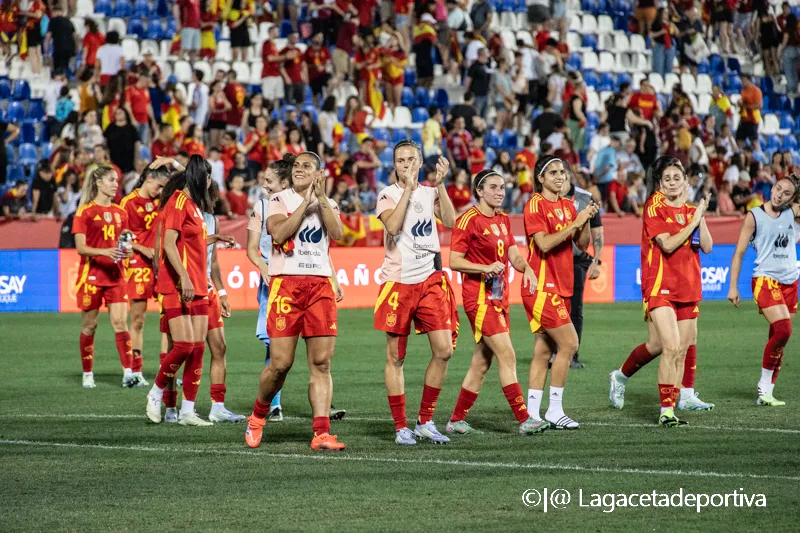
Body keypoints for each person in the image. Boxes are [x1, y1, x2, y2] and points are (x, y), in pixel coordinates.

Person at [244, 151, 346, 450]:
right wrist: (305, 204)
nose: (299, 169)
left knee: (322, 363)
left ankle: (321, 433)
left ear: (318, 174)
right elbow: (279, 233)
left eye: (307, 166)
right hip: (286, 284)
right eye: (297, 165)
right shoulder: (279, 200)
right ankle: (257, 417)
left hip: (320, 285)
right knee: (280, 365)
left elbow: (338, 233)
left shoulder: (329, 203)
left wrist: (321, 199)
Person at [609, 156, 714, 424]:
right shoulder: (655, 205)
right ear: (659, 183)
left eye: (677, 177)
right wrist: (692, 221)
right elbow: (667, 245)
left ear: (686, 181)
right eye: (667, 178)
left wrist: (699, 216)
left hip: (688, 286)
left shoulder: (690, 210)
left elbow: (707, 247)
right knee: (671, 346)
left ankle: (625, 379)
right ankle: (666, 411)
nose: (672, 182)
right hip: (660, 286)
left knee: (676, 348)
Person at [445, 169, 547, 436]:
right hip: (479, 299)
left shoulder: (502, 220)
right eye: (493, 187)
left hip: (499, 299)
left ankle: (456, 420)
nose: (500, 192)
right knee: (507, 354)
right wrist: (484, 267)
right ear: (479, 191)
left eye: (502, 187)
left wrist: (528, 269)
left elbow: (514, 256)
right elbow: (454, 261)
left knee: (481, 362)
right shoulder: (468, 220)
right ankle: (525, 419)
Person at [374, 141, 458, 445]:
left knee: (444, 350)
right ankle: (401, 427)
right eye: (400, 160)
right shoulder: (387, 194)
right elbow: (393, 227)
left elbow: (450, 221)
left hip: (430, 280)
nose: (406, 164)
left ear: (421, 162)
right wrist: (409, 189)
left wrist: (442, 185)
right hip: (398, 283)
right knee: (396, 357)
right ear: (394, 165)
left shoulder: (430, 192)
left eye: (411, 159)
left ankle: (425, 420)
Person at [523, 156, 598, 429]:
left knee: (544, 351)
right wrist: (575, 223)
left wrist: (585, 220)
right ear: (540, 178)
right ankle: (555, 410)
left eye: (562, 172)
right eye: (552, 172)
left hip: (562, 286)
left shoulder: (568, 205)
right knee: (570, 344)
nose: (559, 177)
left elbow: (582, 243)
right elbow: (543, 244)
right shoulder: (535, 204)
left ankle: (532, 414)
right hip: (543, 287)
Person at [145, 155, 215, 426]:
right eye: (207, 177)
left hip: (198, 284)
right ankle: (155, 393)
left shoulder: (195, 206)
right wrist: (184, 277)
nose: (210, 182)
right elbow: (169, 244)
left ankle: (188, 411)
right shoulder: (177, 202)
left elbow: (192, 244)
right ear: (200, 178)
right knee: (184, 345)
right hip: (177, 284)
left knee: (197, 348)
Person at [728, 174, 800, 406]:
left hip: (791, 282)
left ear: (792, 198)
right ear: (772, 187)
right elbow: (739, 253)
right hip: (766, 279)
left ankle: (767, 392)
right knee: (784, 329)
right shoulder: (754, 216)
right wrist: (733, 286)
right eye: (778, 189)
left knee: (779, 338)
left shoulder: (792, 212)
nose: (779, 195)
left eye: (786, 193)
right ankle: (763, 385)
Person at [72, 165, 135, 389]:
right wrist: (104, 252)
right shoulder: (85, 212)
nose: (116, 184)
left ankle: (128, 372)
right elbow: (80, 247)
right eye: (111, 180)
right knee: (90, 325)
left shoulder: (121, 213)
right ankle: (87, 373)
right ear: (98, 183)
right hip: (91, 276)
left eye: (117, 180)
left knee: (120, 323)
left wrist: (127, 250)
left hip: (116, 276)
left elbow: (126, 242)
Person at [119, 164, 171, 387]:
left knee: (168, 318)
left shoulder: (163, 201)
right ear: (149, 178)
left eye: (164, 188)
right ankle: (135, 369)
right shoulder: (128, 203)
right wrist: (142, 248)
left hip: (162, 263)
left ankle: (166, 370)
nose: (160, 191)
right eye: (159, 186)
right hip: (138, 263)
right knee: (138, 319)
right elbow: (122, 237)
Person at [201, 181, 244, 422]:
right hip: (185, 290)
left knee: (219, 348)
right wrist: (215, 237)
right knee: (186, 350)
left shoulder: (212, 220)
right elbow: (183, 245)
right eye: (213, 196)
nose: (216, 200)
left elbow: (213, 261)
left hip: (207, 289)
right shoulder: (184, 214)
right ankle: (168, 401)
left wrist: (223, 292)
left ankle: (217, 407)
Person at [563, 176, 604, 369]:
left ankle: (572, 355)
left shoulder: (585, 198)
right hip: (552, 261)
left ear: (567, 175)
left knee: (575, 309)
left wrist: (597, 260)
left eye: (561, 173)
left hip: (576, 260)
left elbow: (598, 232)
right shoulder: (545, 198)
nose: (558, 178)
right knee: (551, 308)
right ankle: (551, 352)